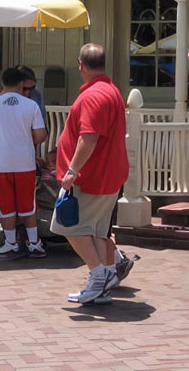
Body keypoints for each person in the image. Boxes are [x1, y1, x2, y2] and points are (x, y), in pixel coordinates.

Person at [52, 43, 129, 305]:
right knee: (98, 233)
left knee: (67, 225)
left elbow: (89, 137)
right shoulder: (111, 91)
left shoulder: (94, 95)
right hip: (107, 175)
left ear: (81, 65)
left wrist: (72, 170)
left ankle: (99, 276)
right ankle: (103, 282)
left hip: (92, 177)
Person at [0, 67, 48, 259]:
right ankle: (34, 243)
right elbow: (41, 135)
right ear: (22, 84)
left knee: (5, 204)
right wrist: (24, 137)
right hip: (25, 162)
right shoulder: (30, 105)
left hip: (0, 163)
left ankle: (11, 242)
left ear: (2, 83)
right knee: (28, 204)